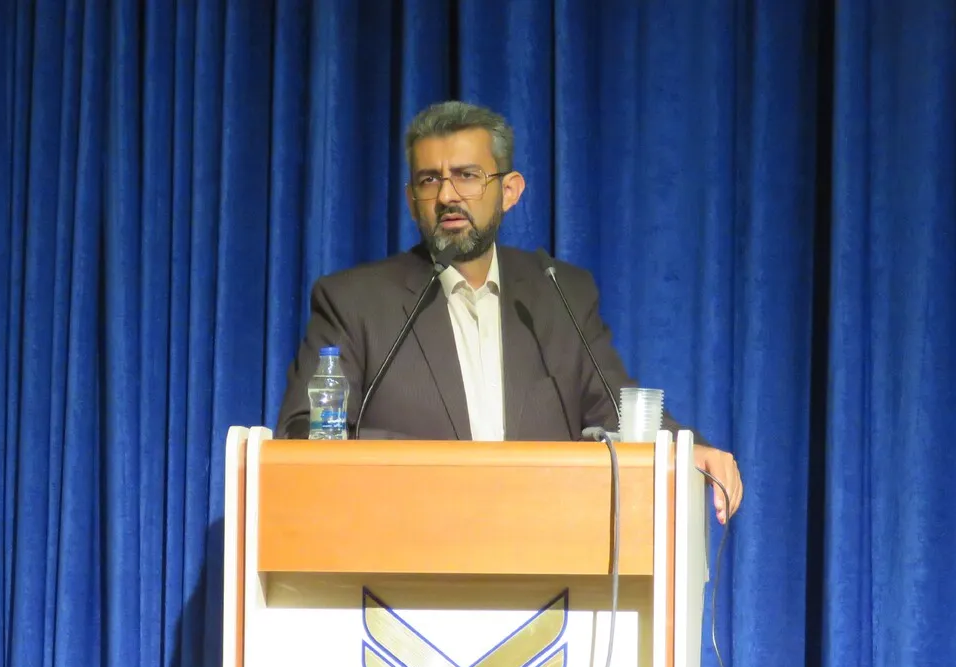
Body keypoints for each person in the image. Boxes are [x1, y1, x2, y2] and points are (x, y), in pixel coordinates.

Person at [275, 101, 743, 521]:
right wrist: (436, 469)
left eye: (467, 175)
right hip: (403, 547)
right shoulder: (354, 301)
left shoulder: (560, 293)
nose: (447, 196)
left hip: (543, 548)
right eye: (429, 179)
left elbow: (615, 408)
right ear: (411, 199)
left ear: (510, 190)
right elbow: (301, 434)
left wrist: (688, 450)